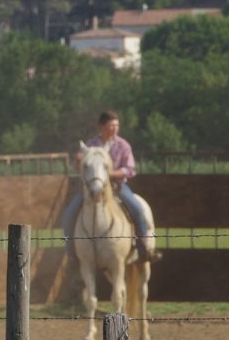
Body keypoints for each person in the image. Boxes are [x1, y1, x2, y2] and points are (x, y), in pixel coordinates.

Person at [61, 110, 158, 262]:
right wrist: (78, 161)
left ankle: (144, 248)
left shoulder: (123, 146)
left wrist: (111, 174)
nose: (114, 128)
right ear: (101, 126)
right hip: (92, 188)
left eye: (116, 125)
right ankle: (71, 251)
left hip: (117, 187)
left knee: (138, 209)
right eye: (110, 125)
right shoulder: (91, 145)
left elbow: (130, 169)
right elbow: (79, 166)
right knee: (69, 214)